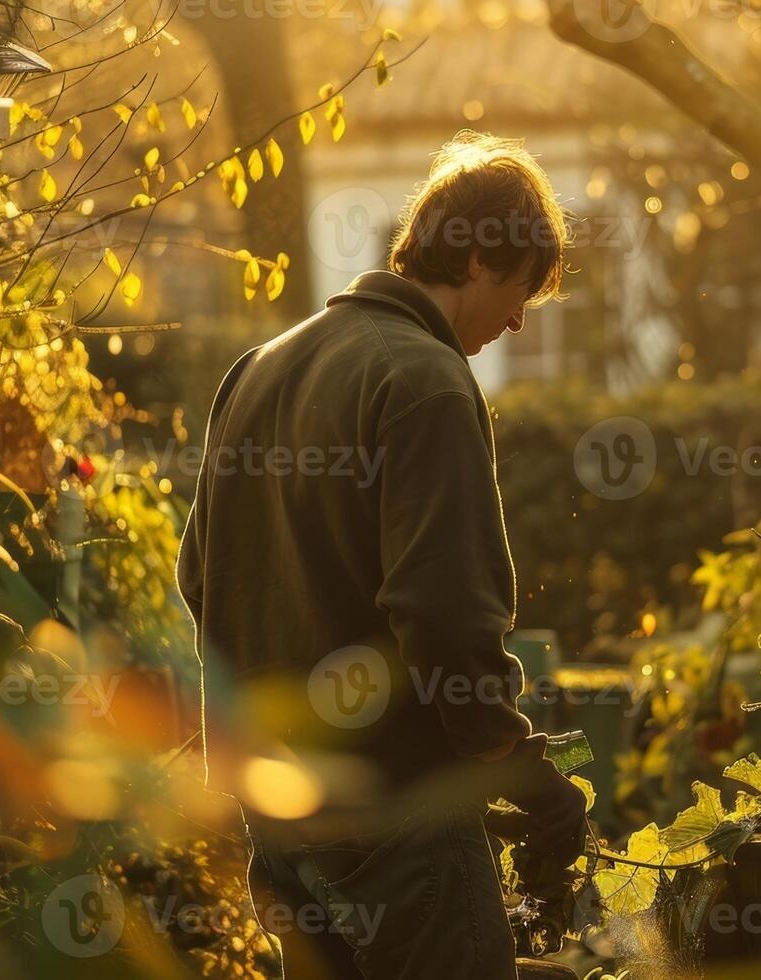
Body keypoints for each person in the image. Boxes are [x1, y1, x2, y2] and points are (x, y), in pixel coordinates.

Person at [176, 131, 588, 979]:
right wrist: (515, 767)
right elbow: (442, 616)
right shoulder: (424, 379)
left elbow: (200, 578)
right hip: (395, 807)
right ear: (476, 256)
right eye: (517, 291)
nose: (516, 320)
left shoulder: (258, 368)